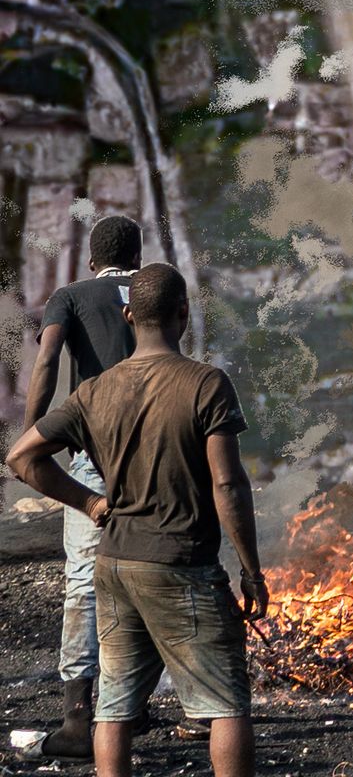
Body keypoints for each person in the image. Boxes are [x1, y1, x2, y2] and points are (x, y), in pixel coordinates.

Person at [7, 262, 267, 777]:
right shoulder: (206, 383)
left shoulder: (95, 391)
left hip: (115, 565)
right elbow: (228, 485)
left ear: (129, 316)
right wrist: (251, 569)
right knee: (226, 704)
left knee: (114, 708)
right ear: (184, 313)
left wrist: (91, 504)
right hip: (182, 566)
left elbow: (21, 457)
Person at [22, 214, 141, 758]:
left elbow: (48, 359)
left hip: (97, 451)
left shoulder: (70, 295)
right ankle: (137, 705)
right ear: (136, 257)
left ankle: (77, 720)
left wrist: (34, 432)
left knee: (84, 584)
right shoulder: (156, 290)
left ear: (92, 260)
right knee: (152, 571)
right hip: (160, 451)